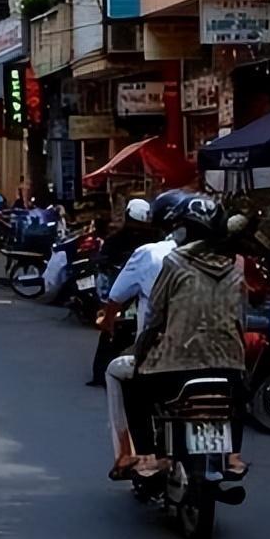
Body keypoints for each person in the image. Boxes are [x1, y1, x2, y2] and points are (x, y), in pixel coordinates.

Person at [128, 193, 247, 479]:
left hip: (174, 367)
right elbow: (240, 319)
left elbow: (155, 315)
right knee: (237, 400)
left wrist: (141, 350)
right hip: (229, 366)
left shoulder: (175, 262)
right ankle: (233, 456)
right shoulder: (235, 268)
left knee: (135, 390)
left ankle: (150, 457)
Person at [99, 190, 185, 474]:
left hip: (165, 357)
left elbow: (116, 297)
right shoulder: (225, 260)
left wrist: (110, 324)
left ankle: (132, 453)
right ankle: (232, 455)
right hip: (222, 361)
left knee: (118, 372)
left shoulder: (153, 255)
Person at [89, 198, 157, 386]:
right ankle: (100, 372)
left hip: (136, 293)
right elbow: (103, 262)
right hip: (127, 290)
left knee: (109, 324)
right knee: (109, 325)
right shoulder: (150, 240)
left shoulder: (153, 242)